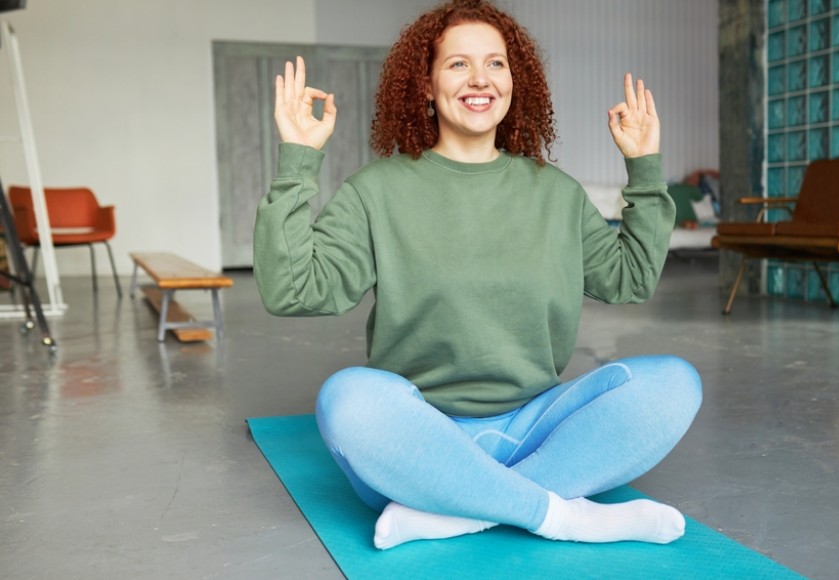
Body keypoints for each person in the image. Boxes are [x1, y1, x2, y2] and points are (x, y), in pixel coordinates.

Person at [253, 0, 702, 550]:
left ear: (516, 82)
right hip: (422, 436)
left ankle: (456, 509)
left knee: (675, 385)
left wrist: (645, 168)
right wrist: (298, 159)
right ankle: (559, 514)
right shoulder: (377, 191)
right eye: (458, 64)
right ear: (425, 83)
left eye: (495, 64)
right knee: (346, 400)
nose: (480, 79)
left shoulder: (555, 193)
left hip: (535, 427)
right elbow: (292, 290)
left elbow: (629, 279)